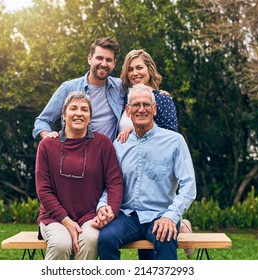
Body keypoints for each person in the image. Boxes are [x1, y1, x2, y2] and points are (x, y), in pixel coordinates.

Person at [97, 84, 197, 260]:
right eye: (136, 105)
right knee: (106, 238)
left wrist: (171, 217)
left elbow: (189, 186)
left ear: (155, 109)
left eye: (146, 105)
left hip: (160, 215)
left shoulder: (175, 141)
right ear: (128, 111)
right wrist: (103, 206)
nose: (141, 109)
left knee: (165, 236)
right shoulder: (119, 145)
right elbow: (110, 185)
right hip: (127, 217)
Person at [118, 49, 194, 259]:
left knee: (157, 239)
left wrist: (135, 131)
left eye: (139, 67)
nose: (135, 72)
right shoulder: (124, 97)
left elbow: (168, 136)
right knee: (141, 249)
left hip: (156, 181)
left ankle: (180, 223)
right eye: (130, 69)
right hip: (131, 172)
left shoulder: (162, 99)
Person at [35, 91, 123, 260]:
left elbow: (115, 183)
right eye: (73, 108)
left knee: (90, 240)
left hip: (90, 216)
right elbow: (44, 190)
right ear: (63, 114)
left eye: (84, 109)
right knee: (61, 244)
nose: (78, 113)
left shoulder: (103, 144)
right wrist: (66, 221)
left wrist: (110, 210)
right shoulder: (47, 146)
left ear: (90, 117)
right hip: (54, 217)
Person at [32, 37, 125, 141]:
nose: (103, 64)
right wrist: (49, 138)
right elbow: (42, 121)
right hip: (74, 154)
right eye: (99, 58)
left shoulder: (120, 87)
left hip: (107, 154)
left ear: (114, 63)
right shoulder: (69, 88)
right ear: (90, 58)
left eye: (108, 60)